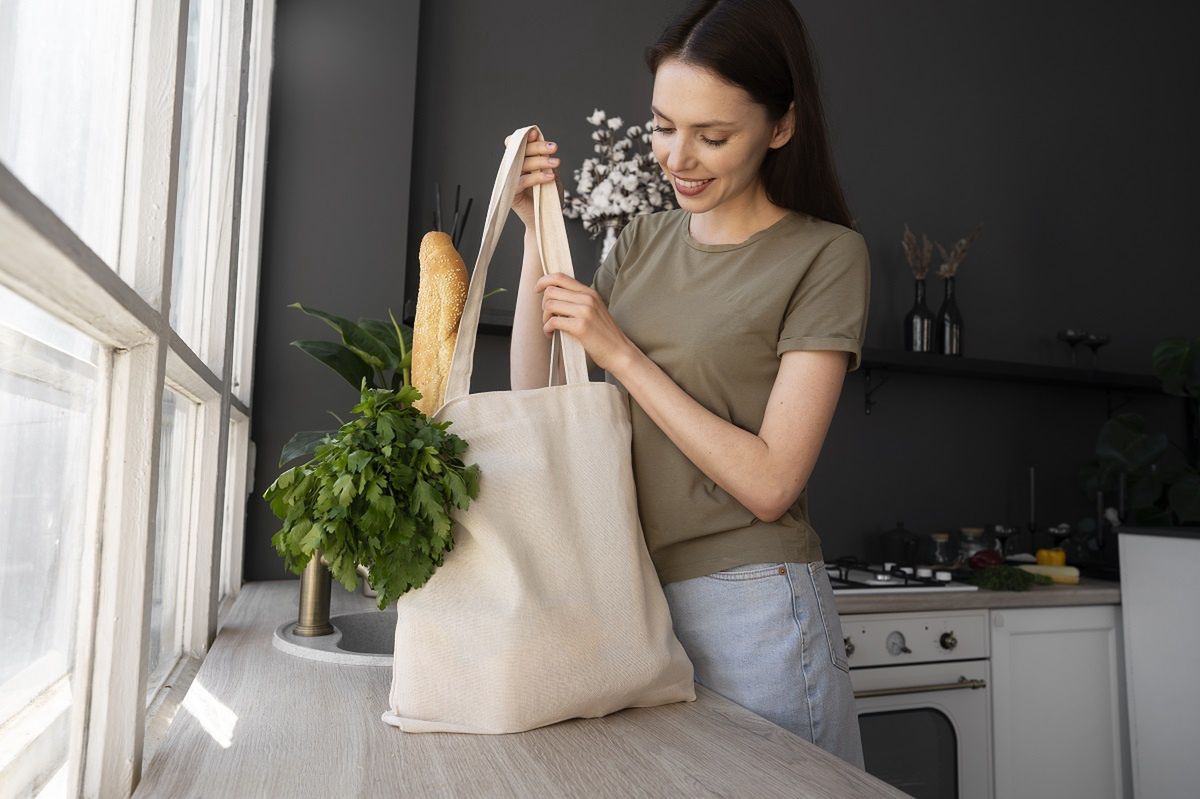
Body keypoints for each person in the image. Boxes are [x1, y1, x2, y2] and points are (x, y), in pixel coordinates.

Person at [508, 0, 867, 768]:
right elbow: (539, 395)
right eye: (664, 125)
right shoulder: (641, 238)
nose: (678, 157)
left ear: (781, 126)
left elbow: (771, 482)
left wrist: (625, 353)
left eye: (713, 136)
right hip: (628, 595)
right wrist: (537, 232)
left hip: (755, 607)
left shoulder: (827, 257)